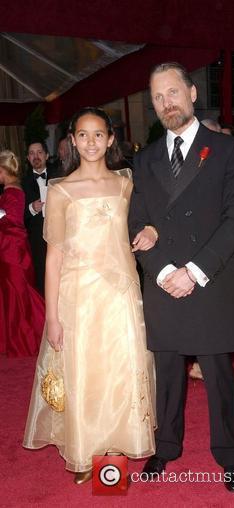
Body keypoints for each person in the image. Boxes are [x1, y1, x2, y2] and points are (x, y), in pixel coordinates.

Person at [128, 62, 234, 492]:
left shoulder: (227, 150)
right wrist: (165, 271)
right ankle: (165, 447)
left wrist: (194, 271)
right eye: (158, 97)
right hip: (164, 280)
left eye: (173, 92)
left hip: (210, 278)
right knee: (167, 371)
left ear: (192, 94)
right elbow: (137, 223)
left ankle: (230, 454)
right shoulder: (143, 160)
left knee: (218, 372)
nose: (167, 102)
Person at [23, 107, 156, 484]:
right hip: (77, 295)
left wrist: (152, 230)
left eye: (99, 134)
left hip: (121, 293)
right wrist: (52, 316)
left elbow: (150, 219)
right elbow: (54, 257)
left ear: (111, 138)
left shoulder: (126, 182)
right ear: (72, 140)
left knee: (120, 372)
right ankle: (86, 449)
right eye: (84, 134)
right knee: (84, 373)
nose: (92, 142)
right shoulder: (61, 190)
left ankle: (113, 455)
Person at [0, 150, 45, 357]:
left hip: (13, 253)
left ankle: (31, 335)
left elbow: (13, 224)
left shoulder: (12, 192)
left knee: (20, 295)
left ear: (3, 170)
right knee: (15, 295)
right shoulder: (11, 190)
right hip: (11, 252)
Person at [22, 141, 62, 295]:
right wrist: (31, 208)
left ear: (46, 155)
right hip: (37, 241)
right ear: (27, 158)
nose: (36, 156)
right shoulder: (22, 183)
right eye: (32, 153)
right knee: (42, 280)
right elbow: (17, 218)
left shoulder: (59, 176)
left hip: (60, 235)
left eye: (39, 152)